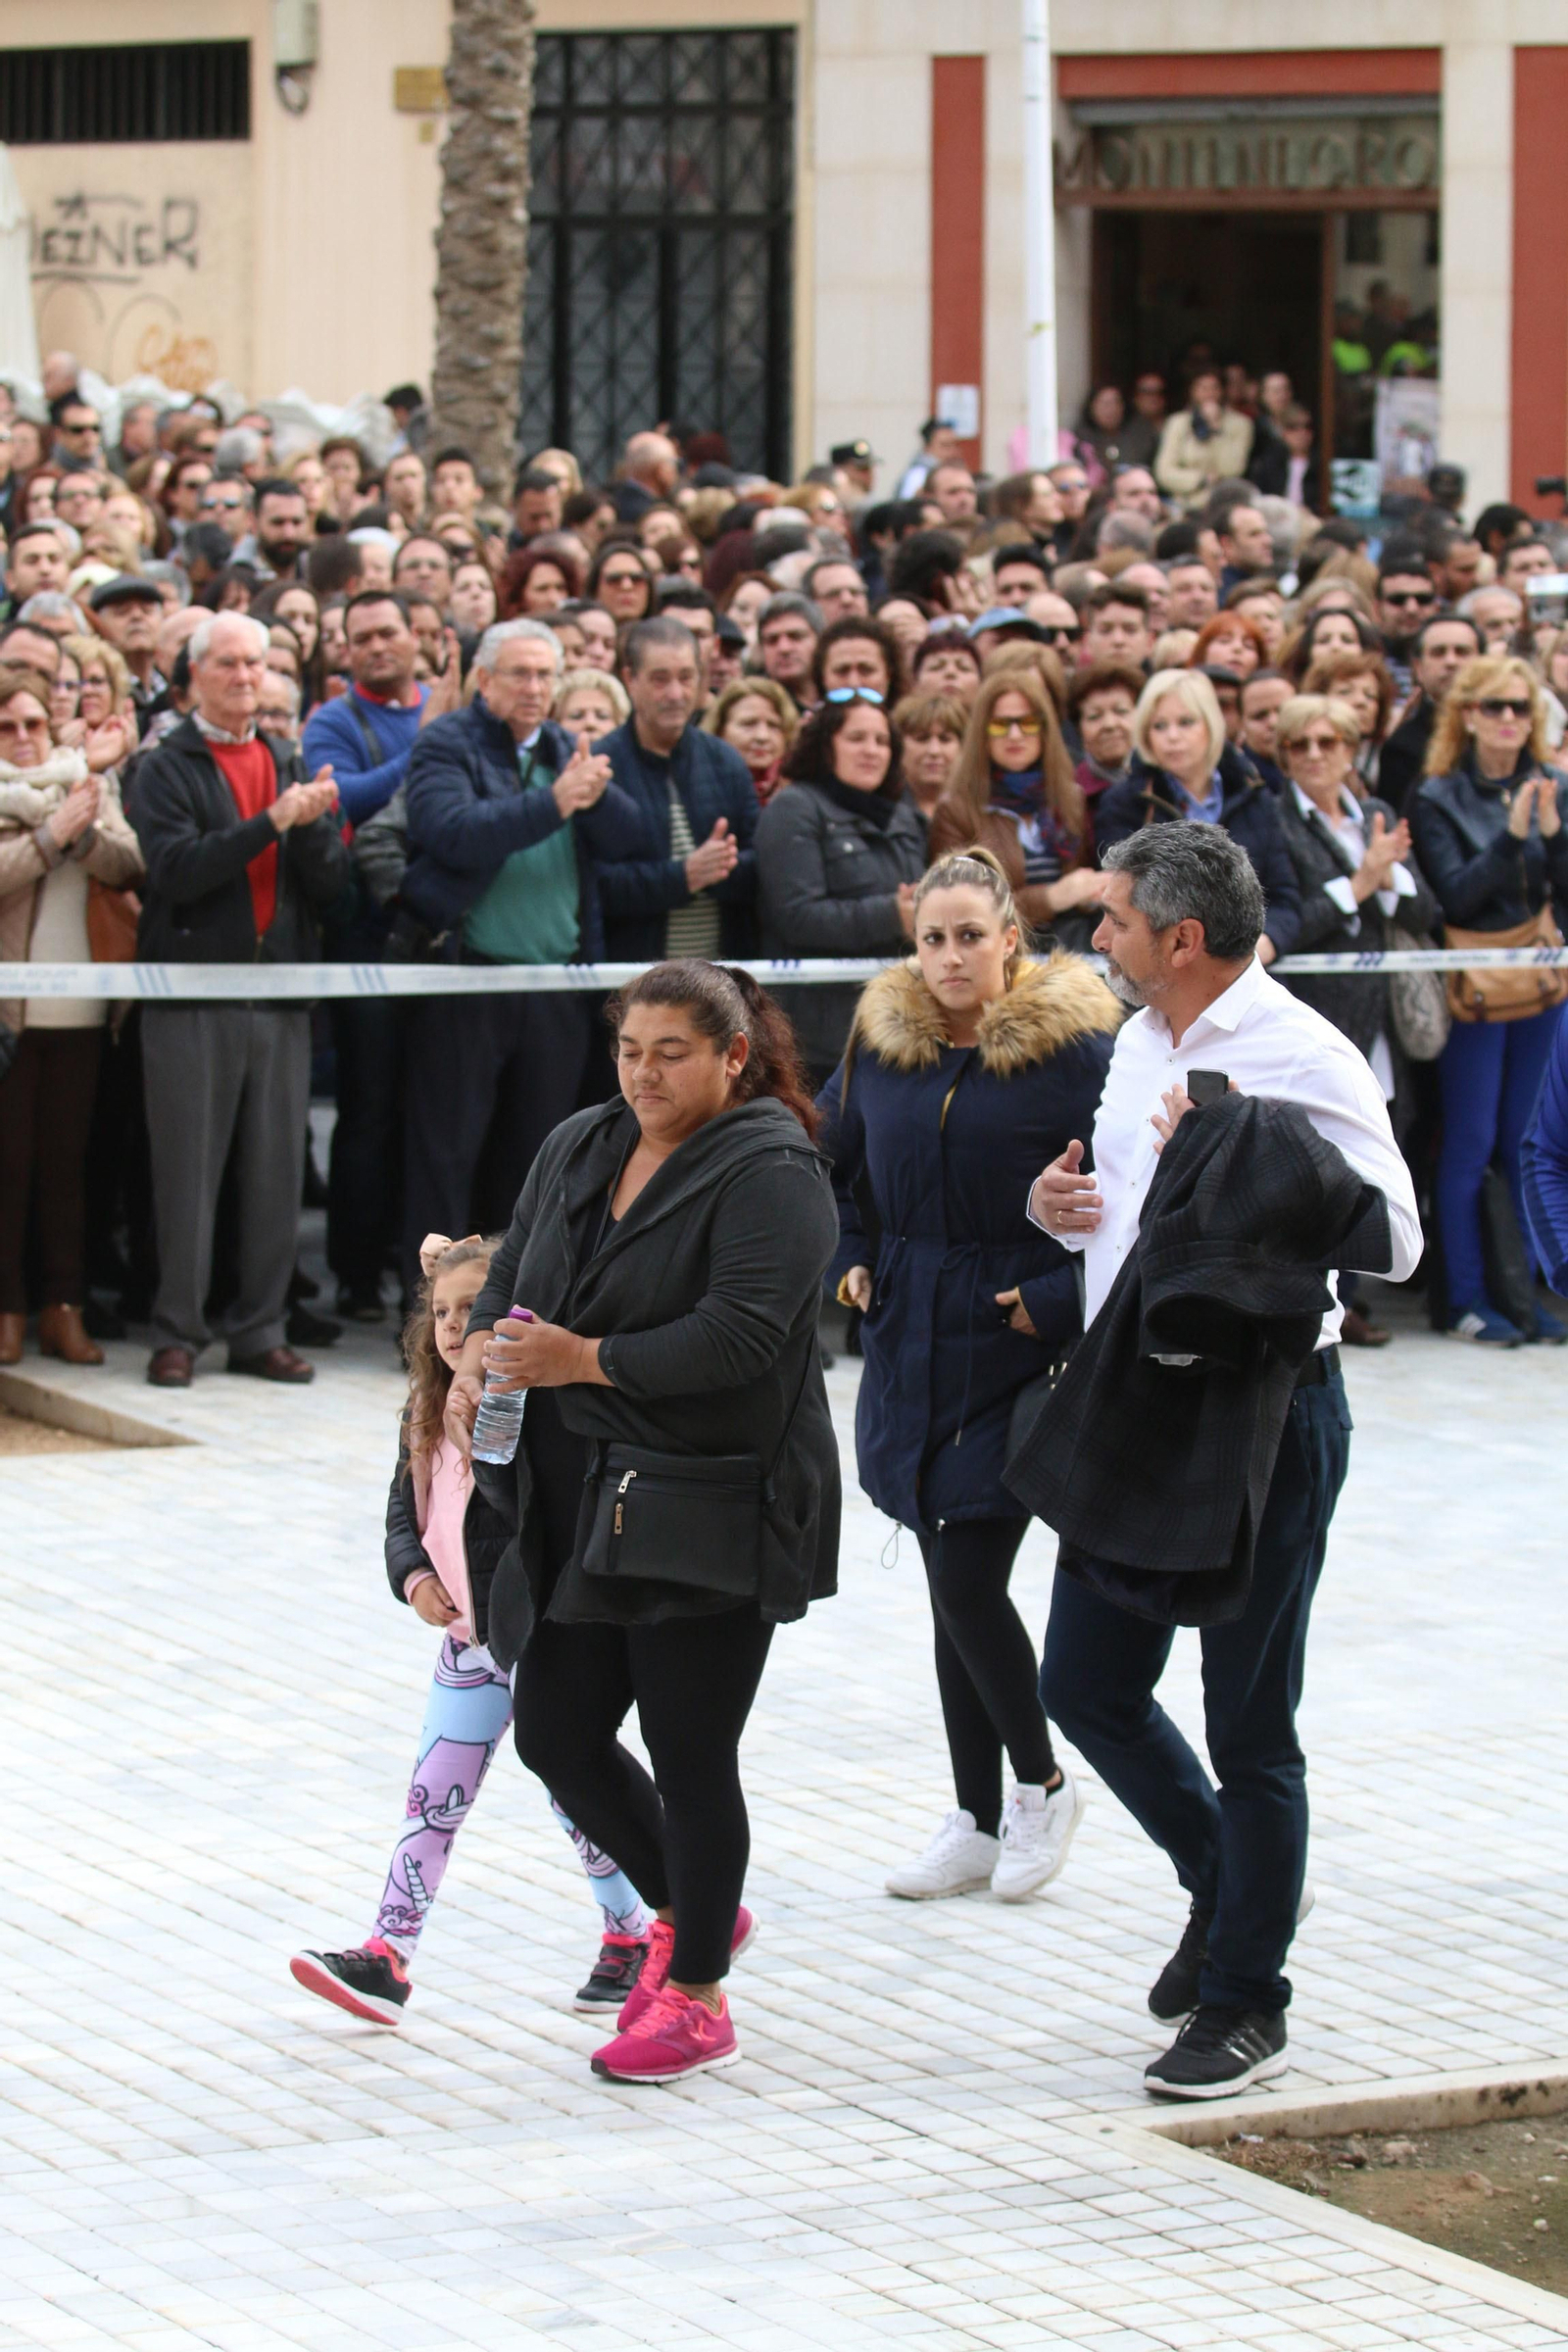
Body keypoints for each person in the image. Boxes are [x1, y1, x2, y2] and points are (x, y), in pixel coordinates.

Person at [1026, 824, 1422, 2097]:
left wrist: (1252, 1135)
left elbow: (1397, 1242)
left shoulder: (1296, 1054)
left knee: (1251, 1725)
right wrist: (1063, 1209)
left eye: (1118, 921)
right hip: (1130, 1404)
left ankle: (1251, 1998)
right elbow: (1135, 1210)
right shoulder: (1140, 1037)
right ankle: (1224, 1884)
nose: (1098, 940)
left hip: (1265, 1415)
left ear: (1181, 940)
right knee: (1083, 1680)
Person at [444, 960, 841, 2083]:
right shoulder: (581, 1141)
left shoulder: (775, 1171)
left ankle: (701, 1993)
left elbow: (741, 1338)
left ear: (732, 1057)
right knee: (555, 1731)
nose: (644, 1073)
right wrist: (481, 1347)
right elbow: (515, 1261)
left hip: (709, 1499)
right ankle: (695, 1908)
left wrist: (581, 1360)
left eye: (672, 1052)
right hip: (578, 1491)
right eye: (630, 1049)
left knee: (690, 1747)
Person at [819, 850, 1117, 1899]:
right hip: (910, 1335)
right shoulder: (879, 1044)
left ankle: (1039, 1784)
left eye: (969, 936)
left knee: (964, 1574)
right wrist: (848, 1253)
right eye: (932, 938)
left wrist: (1055, 1298)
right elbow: (835, 1166)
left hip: (1018, 1344)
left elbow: (1138, 1202)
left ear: (1009, 941)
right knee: (950, 1569)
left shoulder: (1076, 1051)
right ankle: (974, 1817)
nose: (949, 956)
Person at [289, 1234, 657, 2029]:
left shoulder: (530, 1409)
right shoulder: (426, 1408)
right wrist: (416, 1578)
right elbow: (403, 1517)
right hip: (468, 1647)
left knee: (576, 1789)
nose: (456, 1325)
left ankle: (644, 1924)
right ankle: (387, 1957)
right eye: (443, 1311)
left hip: (535, 1641)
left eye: (473, 1309)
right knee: (432, 1800)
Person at [130, 613, 350, 1387]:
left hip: (279, 995)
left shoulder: (285, 755)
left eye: (256, 664)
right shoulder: (166, 765)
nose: (245, 676)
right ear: (194, 675)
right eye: (228, 663)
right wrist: (270, 822)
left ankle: (260, 1329)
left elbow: (328, 889)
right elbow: (177, 870)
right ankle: (177, 1330)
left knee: (273, 1173)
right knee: (186, 1174)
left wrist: (317, 829)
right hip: (193, 995)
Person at [397, 619, 640, 1287]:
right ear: (483, 679)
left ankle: (508, 1303)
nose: (535, 688)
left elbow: (630, 835)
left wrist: (588, 792)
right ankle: (430, 1313)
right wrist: (556, 801)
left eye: (545, 675)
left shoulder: (567, 745)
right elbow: (451, 832)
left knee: (535, 1159)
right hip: (468, 981)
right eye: (520, 674)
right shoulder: (447, 742)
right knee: (448, 1156)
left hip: (554, 985)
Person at [1409, 655, 1568, 1346]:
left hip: (1540, 983)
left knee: (1528, 1143)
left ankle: (1526, 1293)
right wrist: (1512, 836)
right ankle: (1466, 1298)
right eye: (1496, 706)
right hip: (1474, 985)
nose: (1510, 719)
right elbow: (1456, 893)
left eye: (1521, 707)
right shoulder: (1438, 794)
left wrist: (1554, 831)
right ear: (1468, 714)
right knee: (1470, 1143)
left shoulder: (1553, 782)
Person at [1273, 693, 1439, 1345]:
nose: (1316, 756)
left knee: (1374, 1150)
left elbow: (1425, 910)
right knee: (1314, 1157)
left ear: (1350, 748)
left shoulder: (1375, 814)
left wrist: (1388, 878)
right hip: (1316, 1015)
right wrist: (1359, 885)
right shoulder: (1276, 821)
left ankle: (1354, 1292)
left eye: (1329, 742)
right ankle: (1323, 1298)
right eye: (1300, 745)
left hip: (1377, 1020)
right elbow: (1285, 922)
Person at [0, 667, 144, 1367]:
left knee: (68, 1171)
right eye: (8, 727)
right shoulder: (50, 798)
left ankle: (64, 1309)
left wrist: (78, 833)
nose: (24, 738)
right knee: (8, 1170)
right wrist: (49, 835)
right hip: (10, 1020)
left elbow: (128, 860)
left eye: (33, 723)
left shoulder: (88, 785)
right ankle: (8, 1310)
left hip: (84, 1014)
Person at [756, 692, 927, 1088]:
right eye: (856, 738)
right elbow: (796, 916)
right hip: (816, 1041)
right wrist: (893, 915)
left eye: (882, 741)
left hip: (894, 1027)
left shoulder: (904, 816)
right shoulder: (794, 808)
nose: (871, 750)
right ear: (825, 745)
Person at [1095, 669, 1302, 960]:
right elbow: (1125, 904)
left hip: (1251, 969)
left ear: (1210, 725)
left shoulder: (1255, 796)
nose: (1173, 737)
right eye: (1159, 726)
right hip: (1166, 970)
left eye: (1186, 722)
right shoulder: (1125, 803)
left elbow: (1285, 898)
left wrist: (1263, 946)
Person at [596, 615, 759, 961]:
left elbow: (759, 863)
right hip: (633, 980)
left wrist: (722, 868)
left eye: (686, 678)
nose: (675, 694)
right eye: (659, 679)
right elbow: (593, 885)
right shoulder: (602, 766)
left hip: (720, 978)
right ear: (629, 680)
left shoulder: (725, 760)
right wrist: (681, 877)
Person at [928, 669, 1101, 940]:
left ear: (1045, 730)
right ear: (982, 733)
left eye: (1028, 723)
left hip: (1069, 953)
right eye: (1001, 724)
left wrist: (1089, 893)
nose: (1015, 735)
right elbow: (961, 909)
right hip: (997, 959)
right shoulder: (955, 810)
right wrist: (1051, 898)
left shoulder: (1071, 799)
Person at [1377, 612, 1481, 816]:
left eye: (1462, 652)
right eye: (1438, 653)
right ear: (1418, 668)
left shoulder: (1509, 721)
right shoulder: (1401, 746)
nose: (1451, 661)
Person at [1154, 370, 1254, 511]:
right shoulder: (1177, 422)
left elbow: (1233, 469)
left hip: (1224, 505)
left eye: (1215, 388)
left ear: (1222, 391)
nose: (1209, 394)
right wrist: (1202, 479)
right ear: (1193, 391)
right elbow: (1164, 472)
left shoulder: (1241, 424)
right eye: (1203, 388)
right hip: (1183, 504)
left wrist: (1216, 428)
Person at [1067, 662, 1141, 829]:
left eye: (1121, 711)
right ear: (1079, 728)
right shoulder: (1071, 798)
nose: (1109, 724)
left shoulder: (1162, 786)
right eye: (1094, 716)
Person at [704, 676, 798, 806]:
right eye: (749, 724)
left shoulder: (805, 793)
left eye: (773, 725)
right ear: (719, 730)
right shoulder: (699, 786)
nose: (762, 736)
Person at [892, 691, 966, 825]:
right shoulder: (882, 811)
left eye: (945, 739)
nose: (934, 751)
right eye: (922, 739)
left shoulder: (980, 810)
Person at [757, 592, 822, 710]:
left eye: (795, 637)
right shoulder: (755, 707)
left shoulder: (840, 694)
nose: (784, 648)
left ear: (819, 640)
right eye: (772, 640)